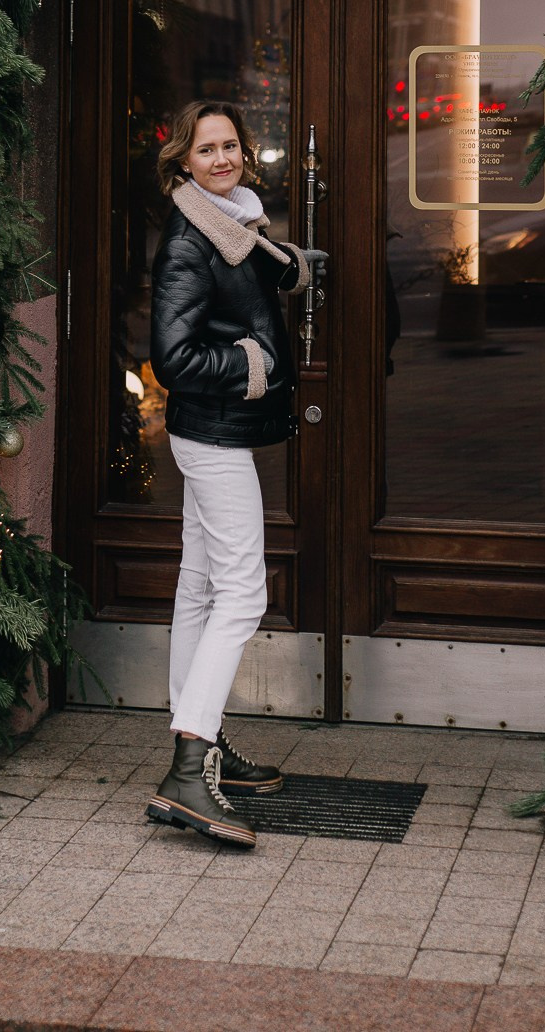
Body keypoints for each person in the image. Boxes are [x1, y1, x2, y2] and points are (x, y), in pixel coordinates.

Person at [144, 99, 323, 847]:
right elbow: (174, 357)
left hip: (211, 436)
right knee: (243, 591)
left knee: (202, 586)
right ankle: (190, 770)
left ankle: (201, 739)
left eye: (230, 146)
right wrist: (256, 362)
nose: (221, 159)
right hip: (212, 438)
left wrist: (291, 267)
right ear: (182, 161)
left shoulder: (236, 226)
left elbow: (251, 283)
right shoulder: (192, 242)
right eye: (206, 149)